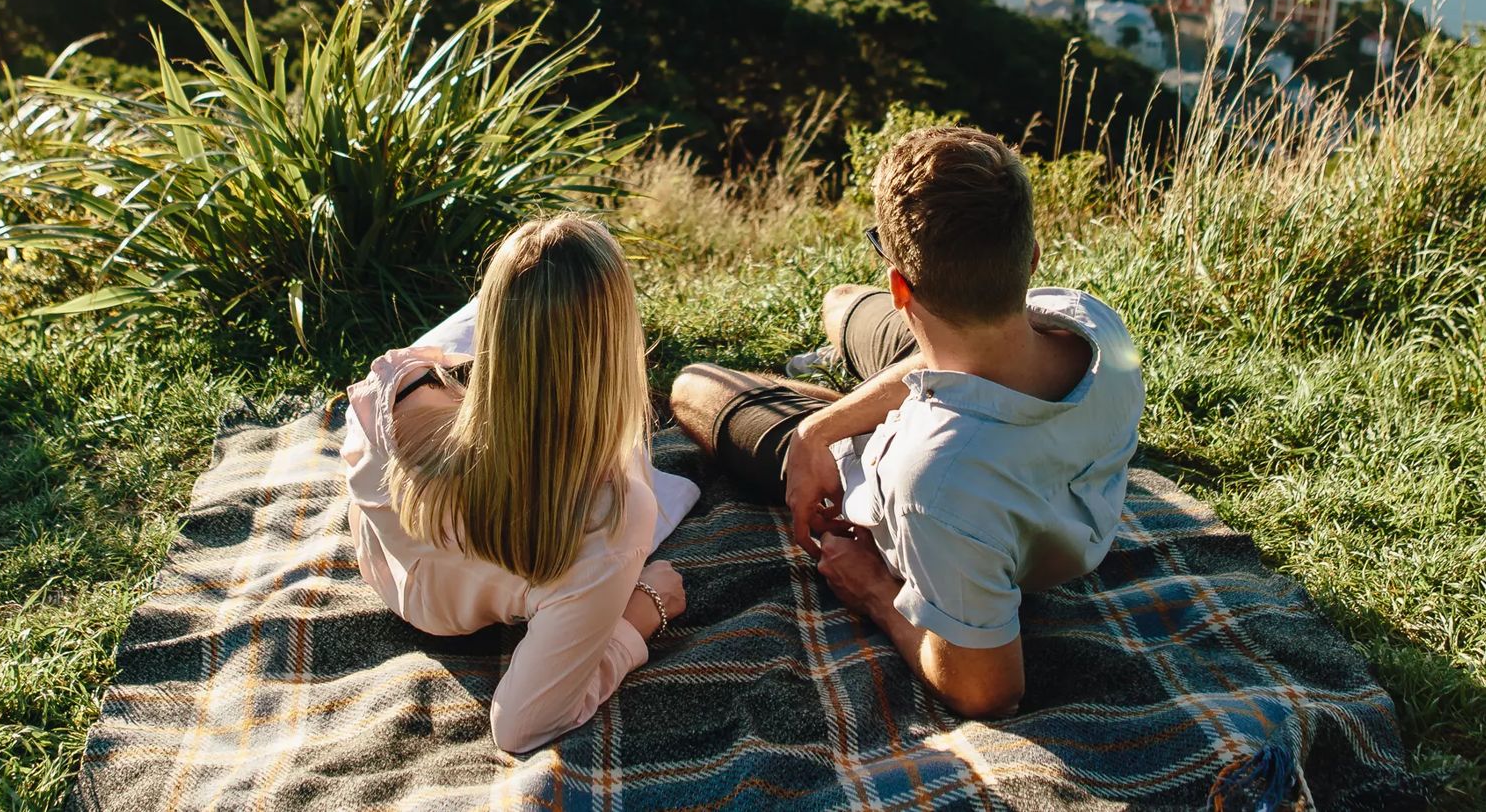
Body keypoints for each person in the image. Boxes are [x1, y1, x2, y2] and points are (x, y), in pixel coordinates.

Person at [670, 126, 1144, 720]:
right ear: (1031, 257)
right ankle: (828, 383)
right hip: (968, 356)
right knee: (841, 300)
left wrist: (872, 587)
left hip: (910, 451)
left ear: (900, 286)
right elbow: (962, 356)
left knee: (692, 387)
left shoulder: (936, 489)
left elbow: (987, 690)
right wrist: (823, 428)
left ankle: (810, 396)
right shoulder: (1092, 323)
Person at [343, 214, 699, 755]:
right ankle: (564, 330)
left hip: (387, 555)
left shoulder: (396, 392)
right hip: (448, 601)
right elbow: (520, 725)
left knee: (535, 290)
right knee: (612, 433)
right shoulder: (607, 518)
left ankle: (526, 313)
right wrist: (643, 612)